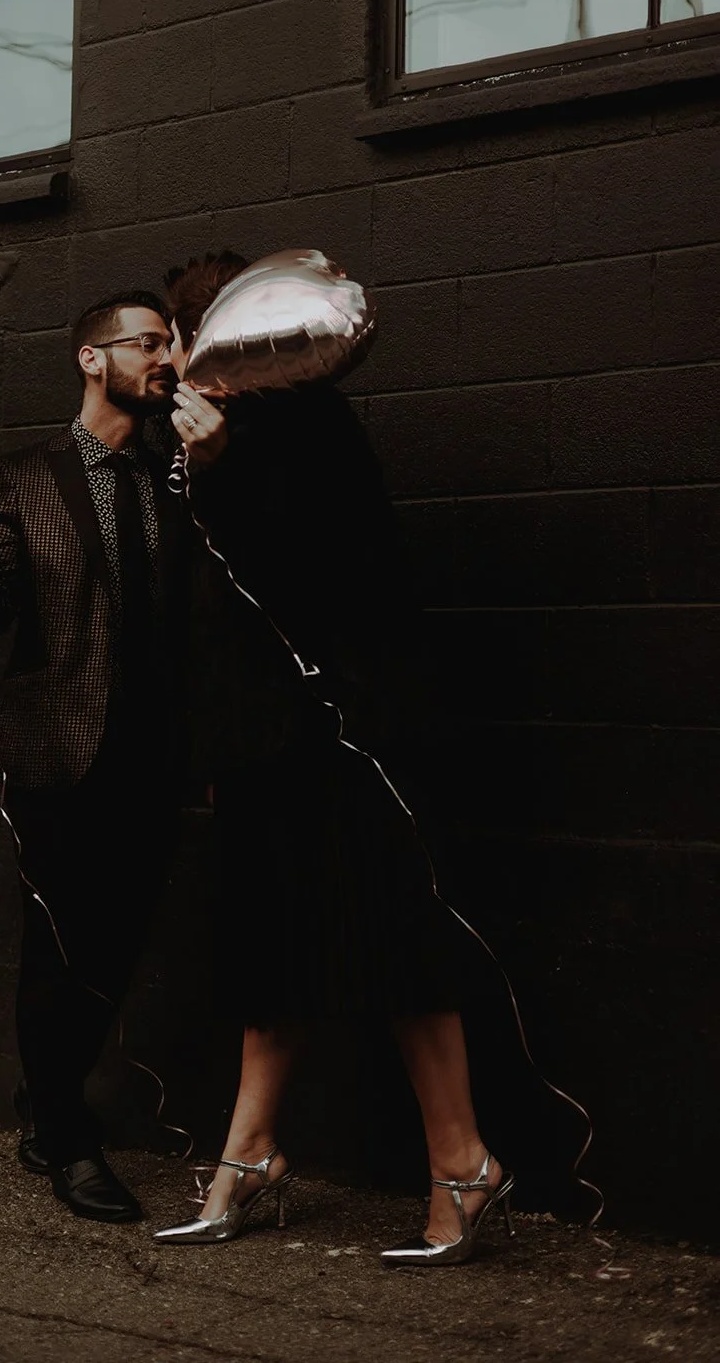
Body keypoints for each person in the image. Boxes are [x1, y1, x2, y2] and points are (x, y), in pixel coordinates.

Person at [152, 253, 513, 1267]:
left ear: (208, 337)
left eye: (173, 335)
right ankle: (248, 1156)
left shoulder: (304, 427)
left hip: (340, 739)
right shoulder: (211, 439)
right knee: (268, 953)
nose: (169, 359)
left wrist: (221, 470)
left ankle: (463, 1165)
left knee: (395, 946)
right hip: (262, 746)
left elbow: (315, 581)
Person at [0, 292, 189, 1225]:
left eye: (172, 343)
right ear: (91, 359)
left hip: (155, 754)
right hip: (57, 749)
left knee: (115, 947)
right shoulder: (23, 477)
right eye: (149, 343)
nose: (166, 358)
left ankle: (44, 1100)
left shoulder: (178, 475)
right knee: (57, 950)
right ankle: (66, 1137)